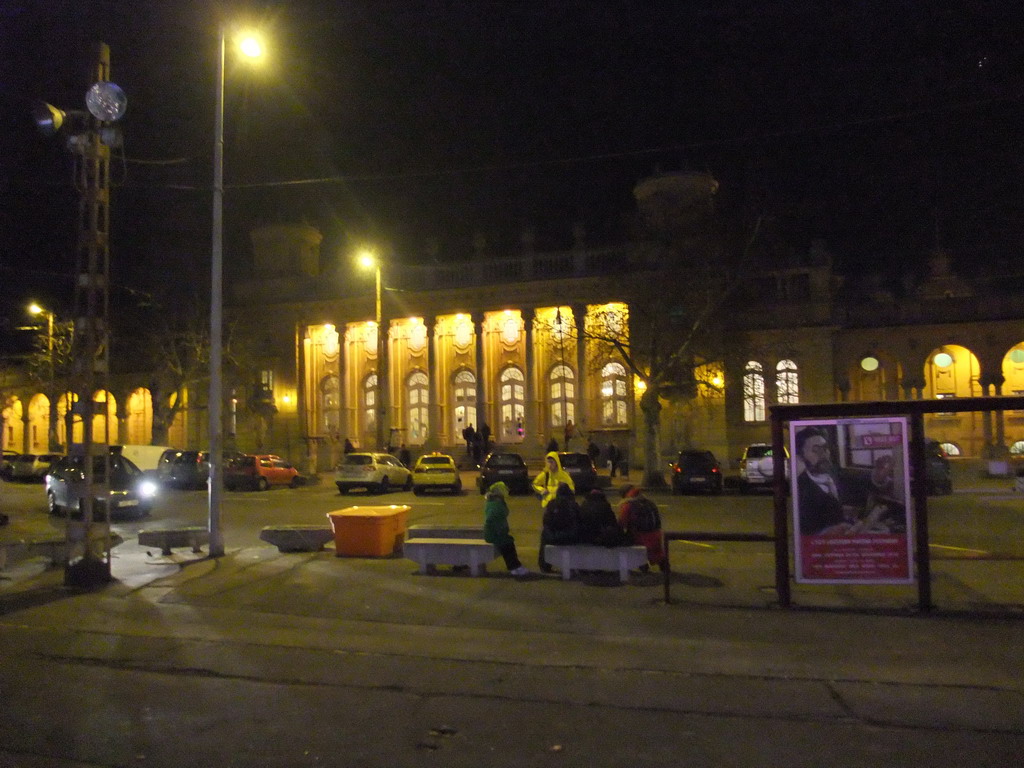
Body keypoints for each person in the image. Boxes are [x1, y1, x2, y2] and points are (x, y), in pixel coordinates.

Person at [795, 426, 849, 536]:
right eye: (815, 450)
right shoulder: (800, 488)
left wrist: (878, 476)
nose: (823, 454)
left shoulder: (836, 473)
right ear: (801, 456)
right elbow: (806, 531)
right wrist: (826, 533)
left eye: (825, 448)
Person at [482, 482, 530, 577]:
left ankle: (515, 566)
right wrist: (499, 530)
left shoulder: (495, 502)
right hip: (494, 534)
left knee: (509, 543)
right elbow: (490, 520)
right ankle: (514, 567)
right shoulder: (495, 504)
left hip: (497, 533)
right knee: (507, 545)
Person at [618, 484, 665, 570]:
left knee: (623, 542)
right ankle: (662, 563)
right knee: (655, 551)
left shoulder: (628, 505)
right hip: (656, 535)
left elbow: (622, 523)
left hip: (639, 536)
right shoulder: (650, 502)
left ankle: (639, 563)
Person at [539, 482, 581, 572]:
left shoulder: (552, 504)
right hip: (570, 537)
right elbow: (579, 520)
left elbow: (546, 521)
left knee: (544, 534)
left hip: (553, 537)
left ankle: (544, 565)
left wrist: (551, 532)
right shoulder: (574, 505)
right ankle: (575, 566)